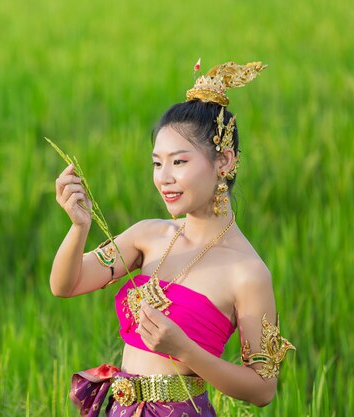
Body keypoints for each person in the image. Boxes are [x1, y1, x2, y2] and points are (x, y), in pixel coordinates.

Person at [50, 61, 295, 417]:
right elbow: (65, 284)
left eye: (178, 162)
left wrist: (184, 349)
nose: (164, 178)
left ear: (224, 161)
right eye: (156, 163)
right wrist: (78, 227)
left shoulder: (247, 272)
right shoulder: (148, 235)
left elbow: (262, 389)